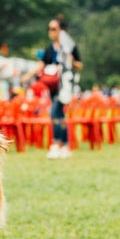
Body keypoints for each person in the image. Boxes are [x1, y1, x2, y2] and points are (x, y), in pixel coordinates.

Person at [21, 15, 83, 159]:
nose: (51, 32)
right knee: (60, 115)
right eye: (49, 29)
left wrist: (71, 60)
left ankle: (56, 143)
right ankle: (65, 145)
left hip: (65, 85)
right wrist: (28, 75)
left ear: (62, 31)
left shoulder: (69, 46)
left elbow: (80, 65)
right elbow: (42, 64)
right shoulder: (50, 49)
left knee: (54, 112)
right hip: (53, 86)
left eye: (54, 29)